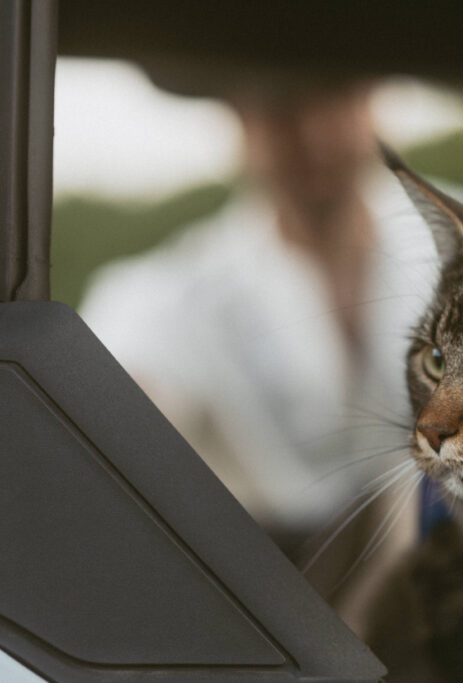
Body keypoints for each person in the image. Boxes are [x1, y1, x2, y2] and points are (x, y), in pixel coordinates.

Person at [79, 79, 436, 634]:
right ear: (240, 119)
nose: (313, 137)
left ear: (371, 101)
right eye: (281, 109)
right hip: (258, 610)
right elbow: (116, 408)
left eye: (334, 100)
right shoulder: (169, 292)